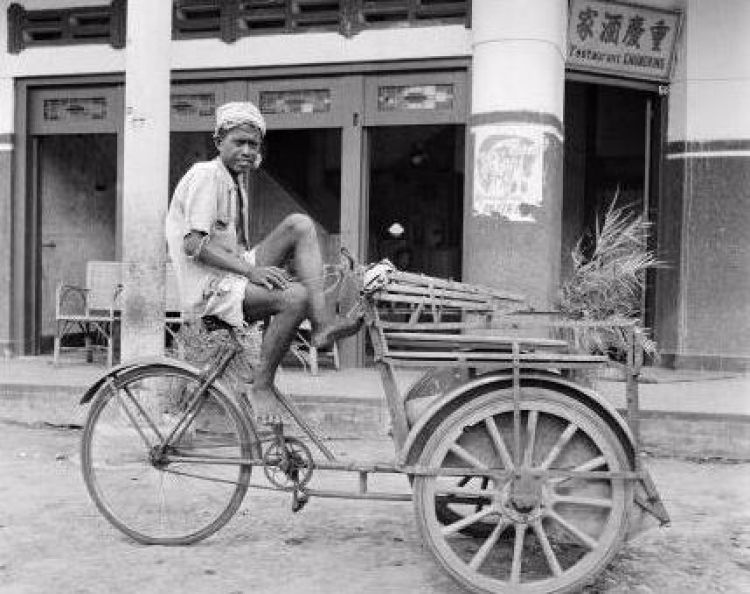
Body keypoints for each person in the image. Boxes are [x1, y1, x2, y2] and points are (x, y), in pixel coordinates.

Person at [166, 101, 361, 426]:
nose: (246, 150)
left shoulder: (235, 180)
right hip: (210, 288)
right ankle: (261, 385)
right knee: (294, 296)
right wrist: (254, 272)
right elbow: (194, 245)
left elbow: (236, 247)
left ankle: (322, 326)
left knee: (299, 224)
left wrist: (259, 269)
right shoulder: (206, 175)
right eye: (238, 142)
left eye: (252, 144)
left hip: (233, 270)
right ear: (218, 142)